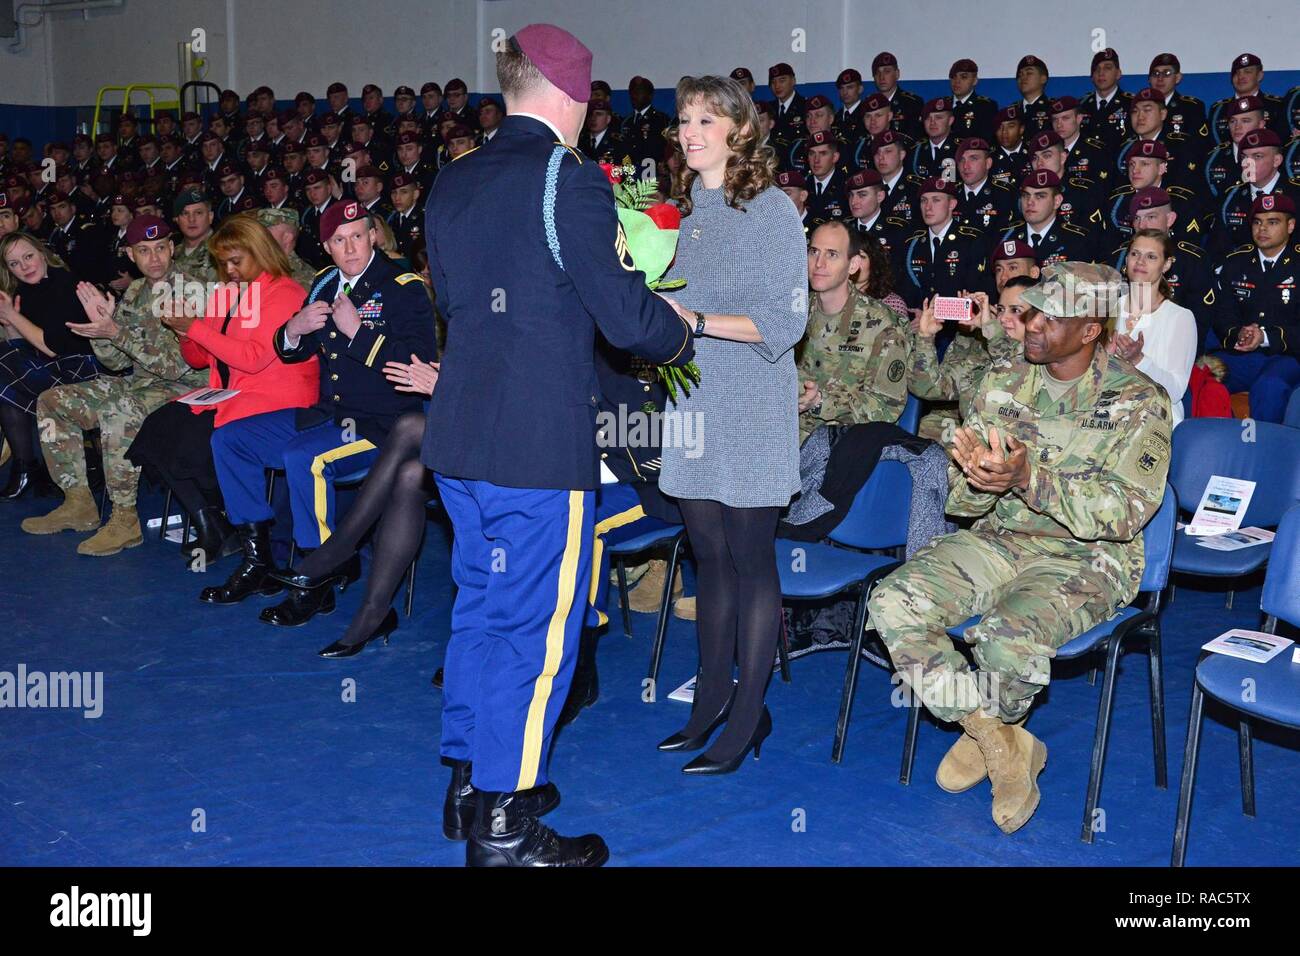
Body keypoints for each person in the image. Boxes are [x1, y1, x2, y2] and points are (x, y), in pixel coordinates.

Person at [420, 24, 694, 867]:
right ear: (573, 97)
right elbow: (622, 314)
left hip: (459, 436)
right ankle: (503, 825)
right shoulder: (566, 180)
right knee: (539, 632)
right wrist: (677, 333)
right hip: (537, 447)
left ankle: (470, 782)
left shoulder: (452, 179)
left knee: (477, 608)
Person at [868, 261, 1171, 834]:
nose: (1029, 323)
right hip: (1000, 538)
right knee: (893, 598)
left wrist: (1028, 479)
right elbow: (966, 503)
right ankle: (998, 738)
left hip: (1088, 558)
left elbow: (1127, 512)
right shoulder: (1001, 377)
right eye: (1029, 309)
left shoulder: (1139, 401)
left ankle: (989, 730)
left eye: (1049, 316)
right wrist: (977, 477)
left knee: (1008, 638)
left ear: (1090, 329)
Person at [651, 74, 806, 777]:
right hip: (690, 403)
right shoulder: (679, 215)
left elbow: (788, 321)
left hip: (749, 405)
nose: (691, 131)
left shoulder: (774, 212)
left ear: (740, 132)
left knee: (751, 558)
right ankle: (712, 695)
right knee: (706, 555)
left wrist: (698, 322)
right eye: (685, 119)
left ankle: (749, 713)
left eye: (707, 120)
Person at [203, 200, 435, 621]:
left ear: (374, 236)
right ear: (327, 247)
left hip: (382, 426)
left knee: (304, 457)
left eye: (358, 237)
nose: (351, 249)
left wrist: (359, 335)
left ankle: (318, 574)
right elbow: (298, 350)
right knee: (230, 440)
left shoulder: (403, 286)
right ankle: (259, 558)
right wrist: (291, 331)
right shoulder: (326, 282)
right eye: (339, 241)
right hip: (325, 415)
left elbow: (420, 365)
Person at [126, 212, 318, 568]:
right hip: (227, 393)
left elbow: (254, 358)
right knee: (156, 429)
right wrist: (185, 332)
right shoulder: (226, 293)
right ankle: (210, 520)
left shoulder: (284, 293)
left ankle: (232, 520)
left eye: (236, 261)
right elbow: (200, 359)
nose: (229, 269)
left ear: (259, 253)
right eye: (223, 262)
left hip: (273, 399)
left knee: (194, 442)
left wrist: (195, 328)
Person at [21, 216, 209, 555]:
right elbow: (116, 362)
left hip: (184, 390)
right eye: (144, 250)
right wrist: (102, 328)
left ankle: (125, 519)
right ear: (130, 254)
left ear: (172, 249)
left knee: (117, 410)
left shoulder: (191, 290)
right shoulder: (136, 291)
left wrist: (115, 332)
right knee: (53, 400)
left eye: (161, 248)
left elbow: (176, 365)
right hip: (139, 384)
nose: (154, 258)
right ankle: (78, 502)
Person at [0, 232, 100, 498]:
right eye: (14, 263)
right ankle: (26, 465)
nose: (24, 266)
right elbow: (19, 345)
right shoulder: (24, 291)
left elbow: (51, 346)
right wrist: (10, 323)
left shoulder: (66, 283)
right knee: (3, 368)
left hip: (84, 368)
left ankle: (28, 466)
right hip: (52, 365)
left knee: (4, 373)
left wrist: (11, 315)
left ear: (42, 253)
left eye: (28, 256)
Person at [797, 220, 908, 441]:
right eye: (814, 252)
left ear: (853, 265)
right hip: (782, 434)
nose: (819, 264)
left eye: (832, 255)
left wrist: (821, 401)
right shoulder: (792, 314)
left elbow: (887, 406)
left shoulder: (883, 325)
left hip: (841, 443)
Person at [1208, 193, 1300, 422]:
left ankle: (1264, 453)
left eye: (1273, 222)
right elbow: (1222, 314)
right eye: (1257, 222)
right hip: (1243, 355)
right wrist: (1237, 334)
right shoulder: (1235, 262)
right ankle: (1219, 444)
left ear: (1290, 226)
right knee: (1201, 376)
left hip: (1288, 356)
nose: (1262, 229)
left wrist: (1265, 337)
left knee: (1269, 386)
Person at [1112, 229, 1197, 426]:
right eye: (1134, 254)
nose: (1140, 261)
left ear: (1166, 264)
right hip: (1108, 413)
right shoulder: (1108, 309)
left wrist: (1138, 360)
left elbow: (1175, 391)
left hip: (1155, 418)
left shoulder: (1180, 317)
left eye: (1151, 257)